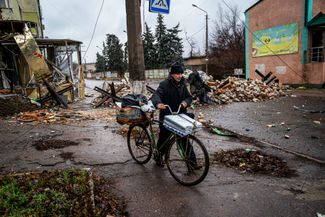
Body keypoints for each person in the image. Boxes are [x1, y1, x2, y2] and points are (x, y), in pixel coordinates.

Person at [151, 63, 198, 168]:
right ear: (172, 74)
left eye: (181, 73)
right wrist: (158, 103)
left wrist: (186, 102)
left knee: (184, 139)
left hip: (180, 116)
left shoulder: (182, 84)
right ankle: (158, 156)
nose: (180, 76)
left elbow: (189, 97)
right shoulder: (164, 84)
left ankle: (192, 163)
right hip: (167, 116)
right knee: (164, 139)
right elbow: (156, 95)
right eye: (177, 73)